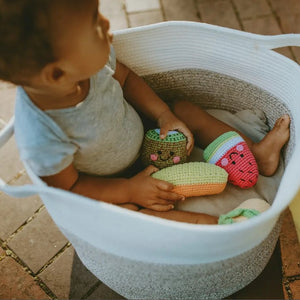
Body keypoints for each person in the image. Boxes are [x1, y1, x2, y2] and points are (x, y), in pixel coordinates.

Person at [0, 0, 290, 224]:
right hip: (114, 182)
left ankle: (256, 153)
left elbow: (126, 80)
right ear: (56, 74)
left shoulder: (94, 64)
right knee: (132, 215)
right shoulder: (41, 135)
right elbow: (72, 187)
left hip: (151, 136)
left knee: (184, 109)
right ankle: (220, 227)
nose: (106, 25)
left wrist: (164, 115)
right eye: (93, 26)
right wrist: (129, 190)